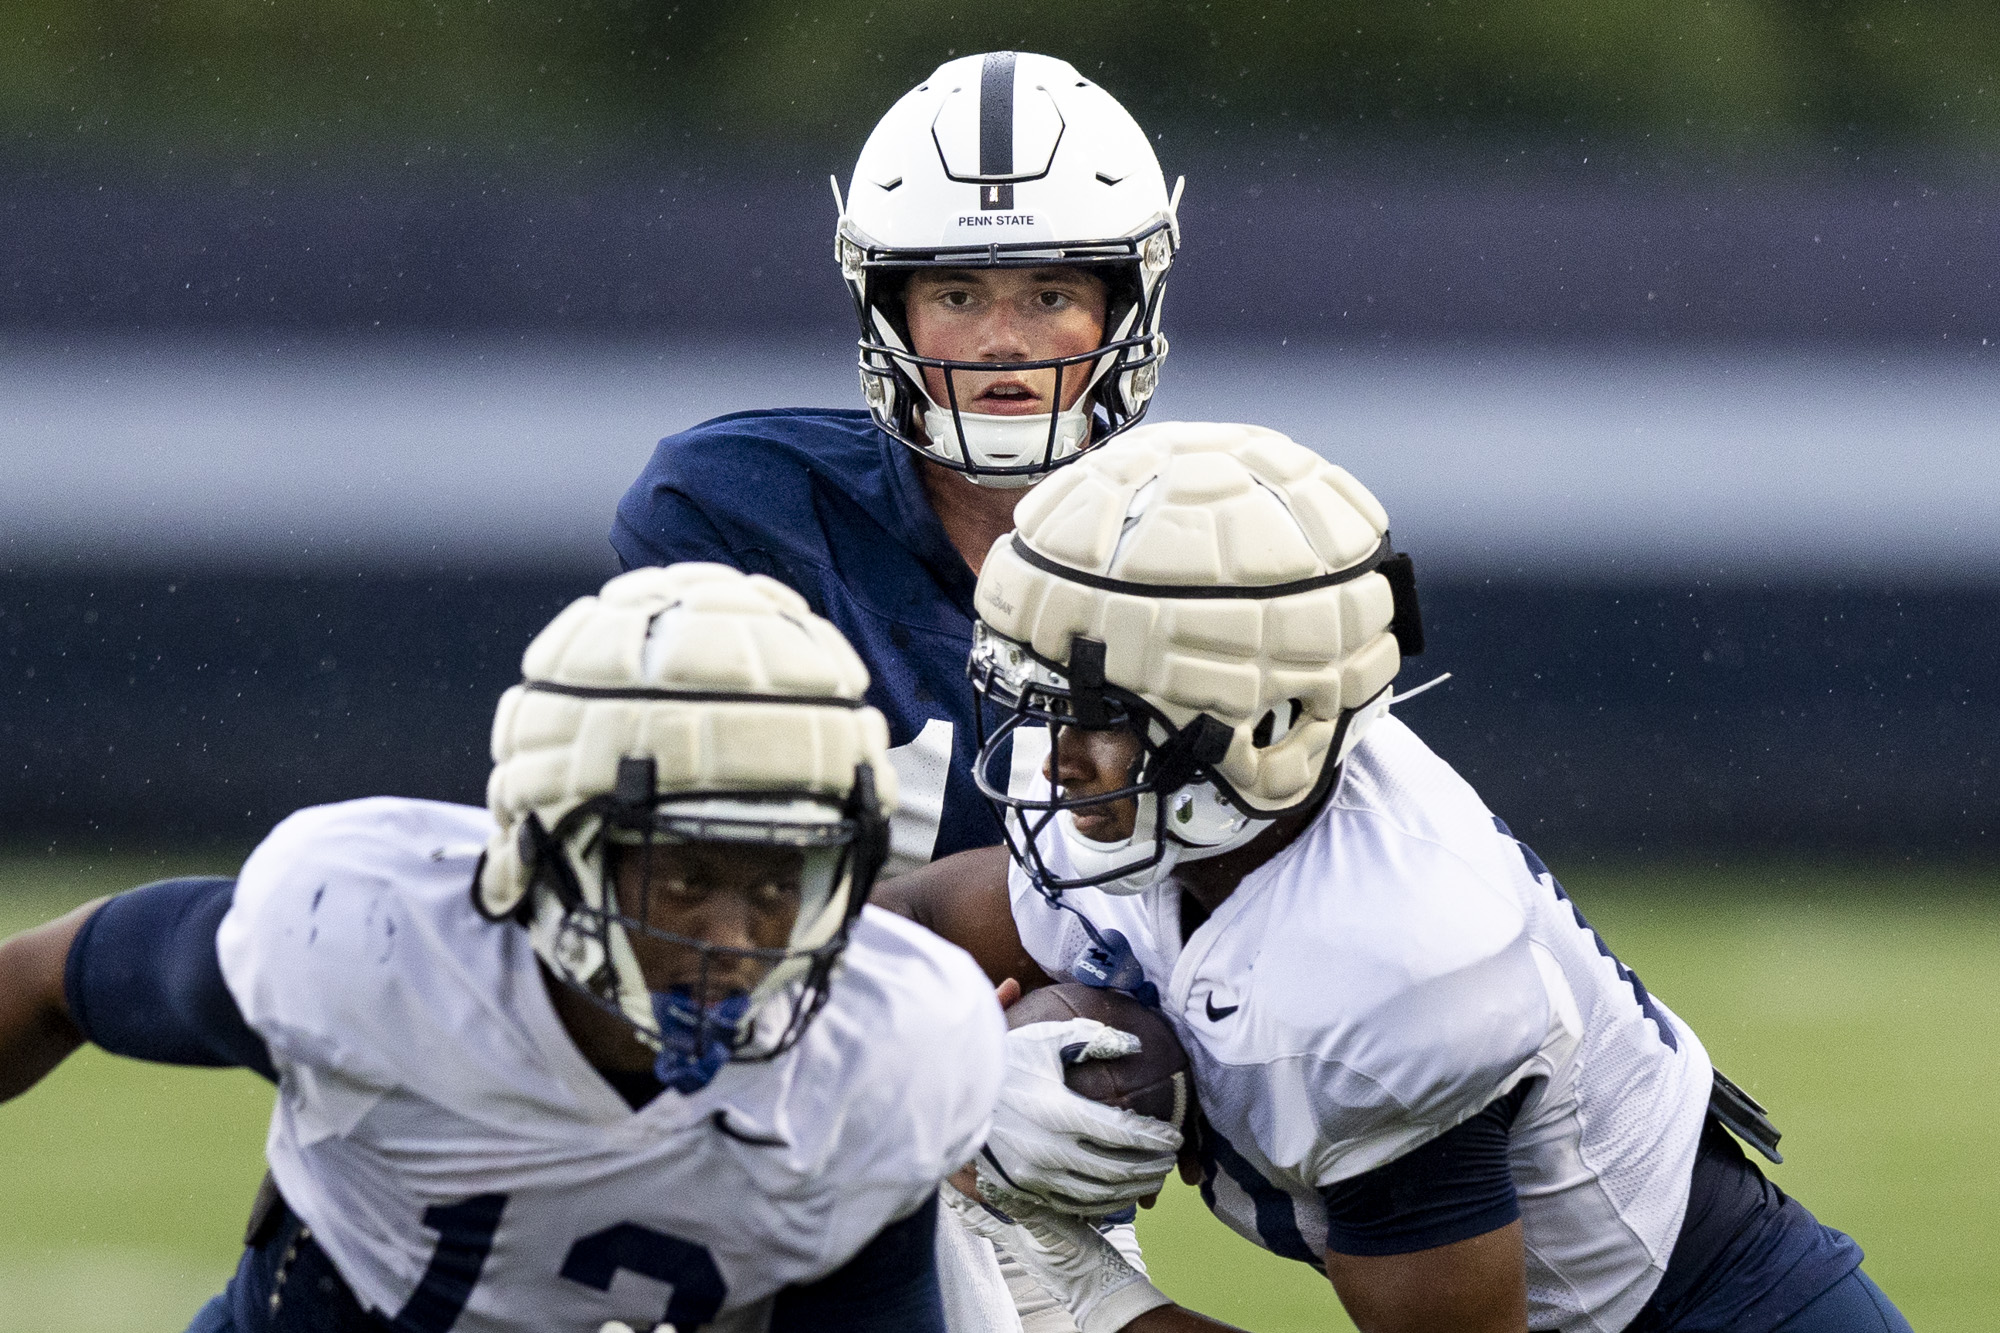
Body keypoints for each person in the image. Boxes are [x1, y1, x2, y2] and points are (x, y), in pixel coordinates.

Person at [879, 421, 1913, 1333]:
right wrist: (948, 1064)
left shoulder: (1387, 958)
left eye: (1094, 710)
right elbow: (906, 923)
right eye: (1045, 695)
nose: (1054, 753)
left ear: (1260, 722)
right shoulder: (1183, 805)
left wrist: (1088, 1281)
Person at [0, 564, 1005, 1333]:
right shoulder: (371, 938)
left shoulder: (887, 1048)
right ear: (548, 847)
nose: (733, 941)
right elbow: (54, 980)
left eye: (780, 881)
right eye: (687, 876)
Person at [612, 49, 1179, 880]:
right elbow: (703, 888)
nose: (1003, 341)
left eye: (1049, 296)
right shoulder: (737, 509)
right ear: (891, 313)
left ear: (1122, 307)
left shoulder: (1214, 541)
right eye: (957, 297)